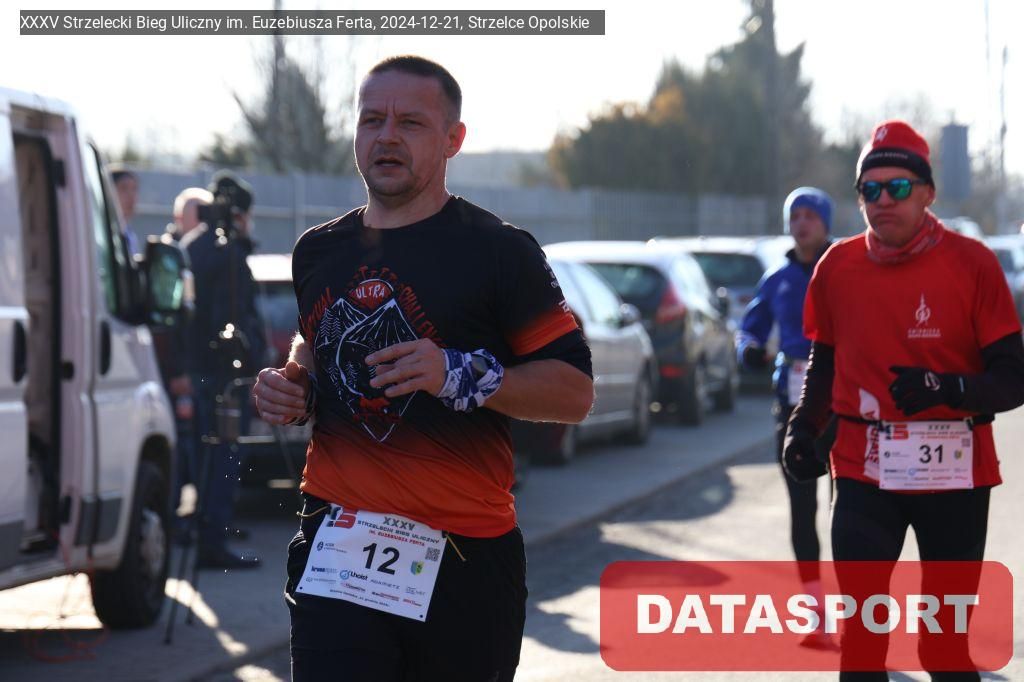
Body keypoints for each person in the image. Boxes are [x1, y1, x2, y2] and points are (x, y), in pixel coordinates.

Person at [252, 55, 594, 681]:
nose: (386, 136)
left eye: (410, 122)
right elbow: (314, 342)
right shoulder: (317, 251)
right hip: (338, 541)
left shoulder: (500, 251)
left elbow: (573, 393)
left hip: (463, 555)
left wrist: (456, 373)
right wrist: (294, 385)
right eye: (372, 120)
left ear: (453, 139)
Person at [783, 120, 1024, 680]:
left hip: (955, 477)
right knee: (862, 645)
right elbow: (825, 362)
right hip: (865, 474)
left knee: (942, 649)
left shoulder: (973, 264)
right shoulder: (836, 268)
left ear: (927, 193)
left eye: (897, 187)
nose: (883, 200)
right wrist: (803, 426)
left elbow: (1013, 377)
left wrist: (949, 388)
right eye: (870, 189)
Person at [736, 186, 834, 644]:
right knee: (802, 507)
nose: (802, 224)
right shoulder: (777, 278)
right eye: (795, 216)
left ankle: (862, 610)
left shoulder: (846, 269)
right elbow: (749, 330)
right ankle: (815, 610)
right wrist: (749, 351)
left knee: (852, 513)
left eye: (811, 215)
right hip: (793, 407)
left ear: (826, 222)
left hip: (845, 408)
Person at [181, 172, 267, 569]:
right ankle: (213, 538)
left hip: (200, 370)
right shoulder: (228, 253)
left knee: (208, 457)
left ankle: (211, 528)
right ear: (239, 215)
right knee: (224, 457)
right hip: (223, 377)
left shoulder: (191, 246)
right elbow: (234, 316)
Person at [111, 167, 142, 257]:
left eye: (134, 189)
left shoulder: (130, 235)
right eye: (123, 188)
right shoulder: (102, 233)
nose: (131, 195)